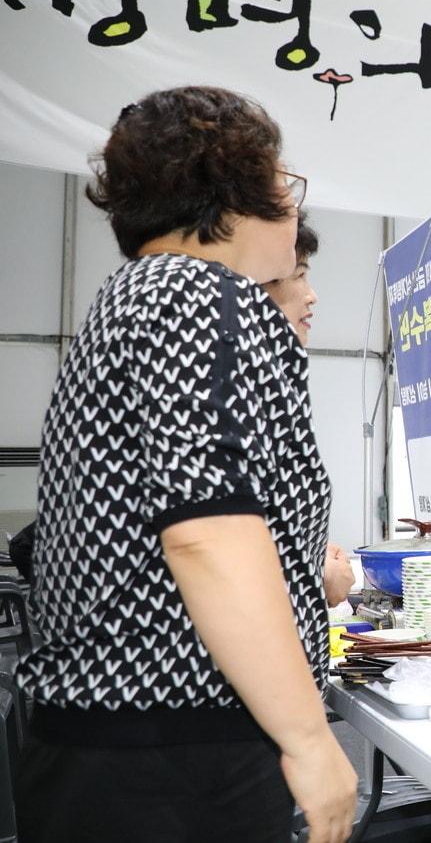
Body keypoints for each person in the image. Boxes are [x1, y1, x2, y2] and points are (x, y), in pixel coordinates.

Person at [17, 87, 357, 842]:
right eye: (282, 184)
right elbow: (207, 533)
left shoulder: (140, 295)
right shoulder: (194, 296)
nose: (292, 206)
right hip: (168, 754)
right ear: (231, 194)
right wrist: (308, 737)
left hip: (127, 746)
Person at [262, 221, 354, 607]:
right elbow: (218, 540)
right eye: (299, 276)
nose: (312, 296)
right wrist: (315, 573)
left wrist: (309, 551)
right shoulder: (237, 373)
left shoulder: (275, 373)